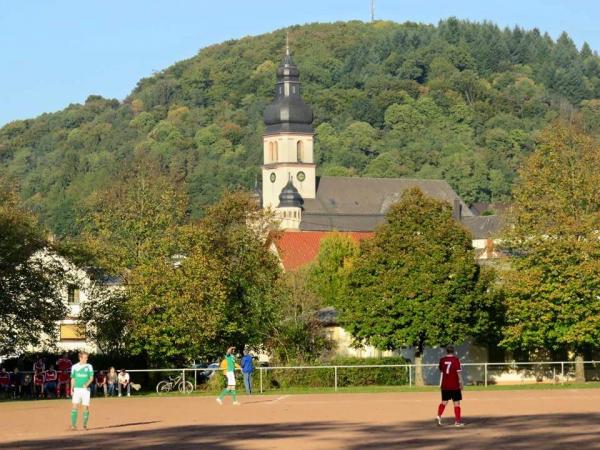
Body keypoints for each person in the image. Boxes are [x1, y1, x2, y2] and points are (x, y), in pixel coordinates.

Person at [436, 345, 464, 427]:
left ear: (446, 351)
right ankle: (457, 422)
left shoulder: (442, 360)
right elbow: (458, 373)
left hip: (445, 385)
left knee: (444, 402)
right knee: (457, 403)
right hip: (454, 385)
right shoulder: (456, 360)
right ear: (453, 351)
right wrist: (461, 383)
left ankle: (438, 416)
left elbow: (441, 370)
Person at [70, 351, 94, 430]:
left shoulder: (89, 366)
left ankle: (84, 425)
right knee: (74, 407)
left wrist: (86, 384)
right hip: (77, 389)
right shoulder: (74, 367)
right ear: (80, 358)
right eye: (85, 358)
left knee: (85, 407)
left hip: (85, 390)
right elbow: (73, 378)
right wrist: (71, 388)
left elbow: (91, 378)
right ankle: (73, 425)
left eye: (87, 358)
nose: (86, 359)